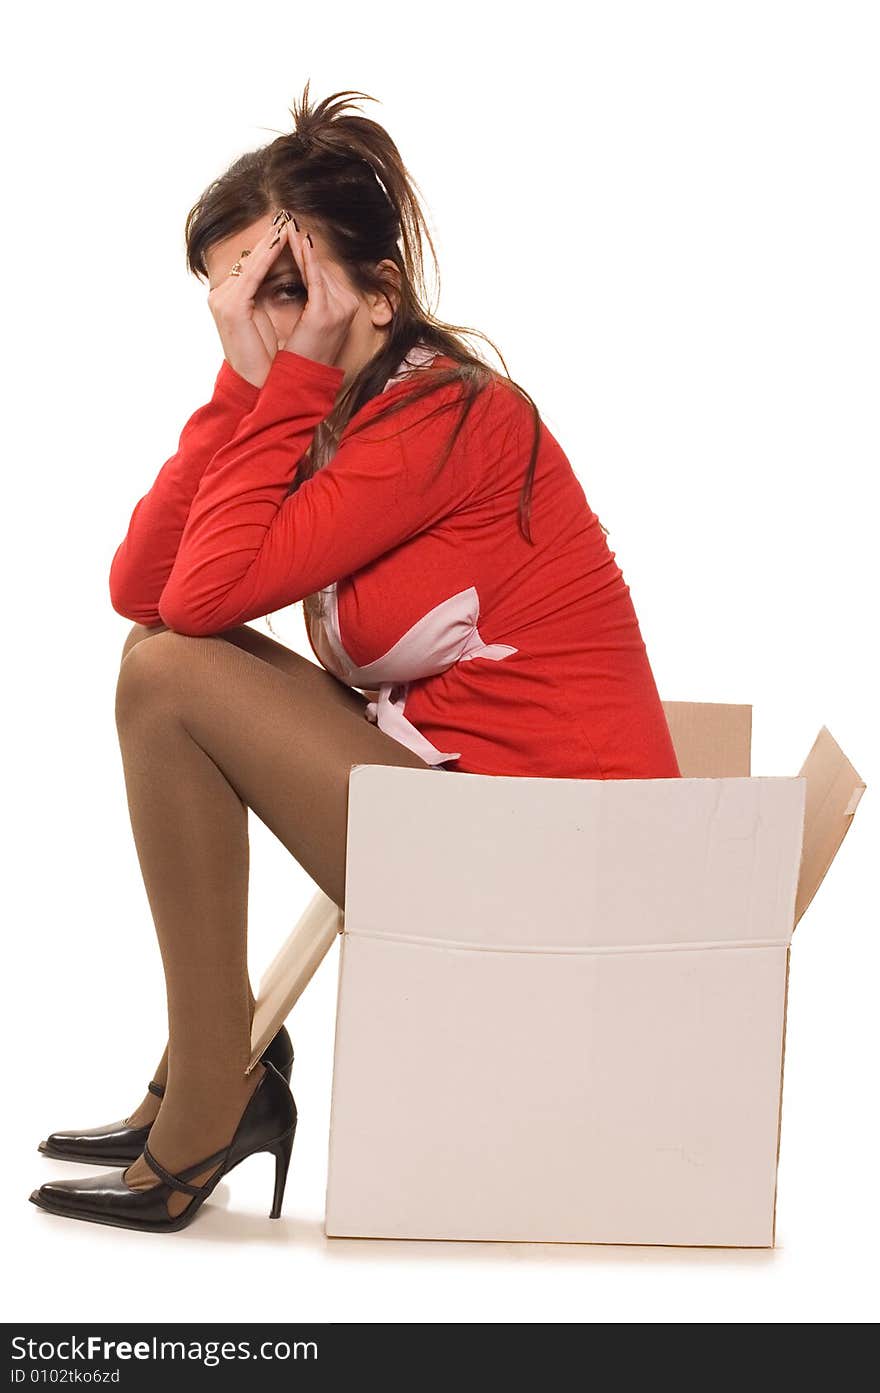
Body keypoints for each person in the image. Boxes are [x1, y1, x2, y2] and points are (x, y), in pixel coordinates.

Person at [30, 82, 681, 1234]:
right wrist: (245, 389)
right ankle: (205, 1063)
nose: (260, 323)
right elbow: (145, 588)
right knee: (158, 652)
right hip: (479, 821)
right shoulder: (346, 412)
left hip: (567, 874)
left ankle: (212, 1091)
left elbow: (204, 597)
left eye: (285, 291)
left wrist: (269, 392)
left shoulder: (447, 417)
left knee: (170, 673)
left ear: (374, 293)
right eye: (234, 294)